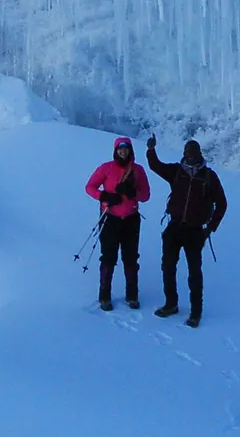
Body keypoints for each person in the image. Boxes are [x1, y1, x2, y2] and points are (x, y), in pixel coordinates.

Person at [145, 135, 228, 328]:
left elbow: (222, 204)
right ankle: (171, 304)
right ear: (184, 154)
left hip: (195, 231)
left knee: (194, 273)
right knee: (168, 267)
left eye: (193, 153)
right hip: (174, 227)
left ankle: (195, 313)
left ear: (199, 154)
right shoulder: (176, 171)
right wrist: (150, 150)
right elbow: (156, 166)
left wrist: (209, 229)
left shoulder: (209, 176)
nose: (189, 157)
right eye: (187, 153)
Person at [83, 136, 150, 311]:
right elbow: (89, 187)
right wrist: (104, 196)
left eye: (126, 148)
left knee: (130, 258)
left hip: (131, 219)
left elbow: (146, 196)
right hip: (109, 218)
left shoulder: (138, 170)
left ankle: (132, 295)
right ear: (115, 150)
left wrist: (132, 193)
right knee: (108, 258)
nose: (123, 151)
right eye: (120, 149)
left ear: (130, 150)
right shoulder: (106, 168)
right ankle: (104, 296)